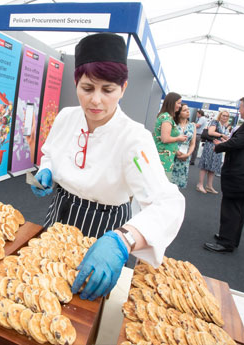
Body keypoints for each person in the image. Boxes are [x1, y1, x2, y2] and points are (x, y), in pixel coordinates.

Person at [30, 33, 185, 301]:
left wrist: (123, 240)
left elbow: (168, 203)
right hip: (59, 212)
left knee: (81, 304)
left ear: (123, 88)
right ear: (76, 83)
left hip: (104, 228)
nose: (96, 101)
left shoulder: (134, 139)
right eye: (87, 88)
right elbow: (50, 153)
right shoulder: (67, 117)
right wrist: (48, 171)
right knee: (39, 287)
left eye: (108, 90)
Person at [204, 97, 244, 253]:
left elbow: (237, 143)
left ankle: (226, 242)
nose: (240, 110)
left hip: (239, 174)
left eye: (241, 107)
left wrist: (220, 146)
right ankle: (231, 238)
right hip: (241, 175)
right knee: (239, 208)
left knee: (231, 207)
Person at [153, 92, 187, 180]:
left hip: (165, 157)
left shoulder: (166, 116)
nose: (180, 106)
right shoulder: (166, 117)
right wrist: (179, 138)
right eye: (178, 103)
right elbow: (165, 139)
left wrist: (176, 151)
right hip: (163, 159)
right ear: (172, 103)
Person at [196, 111, 230, 194]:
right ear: (220, 115)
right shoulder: (215, 122)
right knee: (205, 165)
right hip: (210, 146)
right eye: (223, 115)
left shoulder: (224, 126)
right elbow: (210, 132)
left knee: (213, 167)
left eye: (226, 116)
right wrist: (221, 135)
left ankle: (209, 186)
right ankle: (200, 184)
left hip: (218, 147)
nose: (225, 117)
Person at [171, 103, 196, 188]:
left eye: (188, 109)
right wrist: (176, 151)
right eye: (185, 110)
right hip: (173, 154)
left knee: (179, 184)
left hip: (185, 156)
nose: (188, 111)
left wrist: (188, 154)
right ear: (179, 113)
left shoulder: (192, 126)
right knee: (169, 182)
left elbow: (192, 144)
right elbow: (168, 139)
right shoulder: (173, 124)